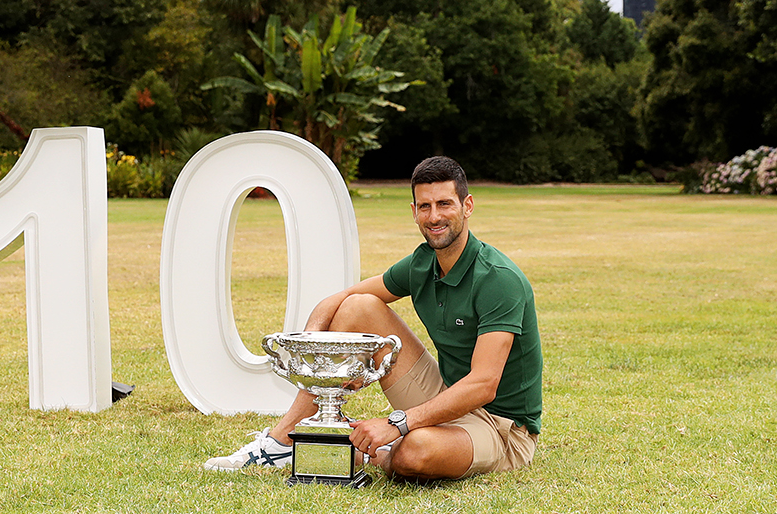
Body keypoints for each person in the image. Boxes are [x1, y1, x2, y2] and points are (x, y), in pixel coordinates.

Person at [203, 156, 543, 481]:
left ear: (467, 206)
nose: (434, 216)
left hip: (499, 427)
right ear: (414, 212)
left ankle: (360, 446)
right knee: (358, 307)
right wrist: (312, 351)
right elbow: (338, 301)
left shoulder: (498, 279)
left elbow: (484, 385)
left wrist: (398, 423)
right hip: (446, 394)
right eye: (425, 206)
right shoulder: (423, 263)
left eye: (445, 204)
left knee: (414, 453)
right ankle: (284, 441)